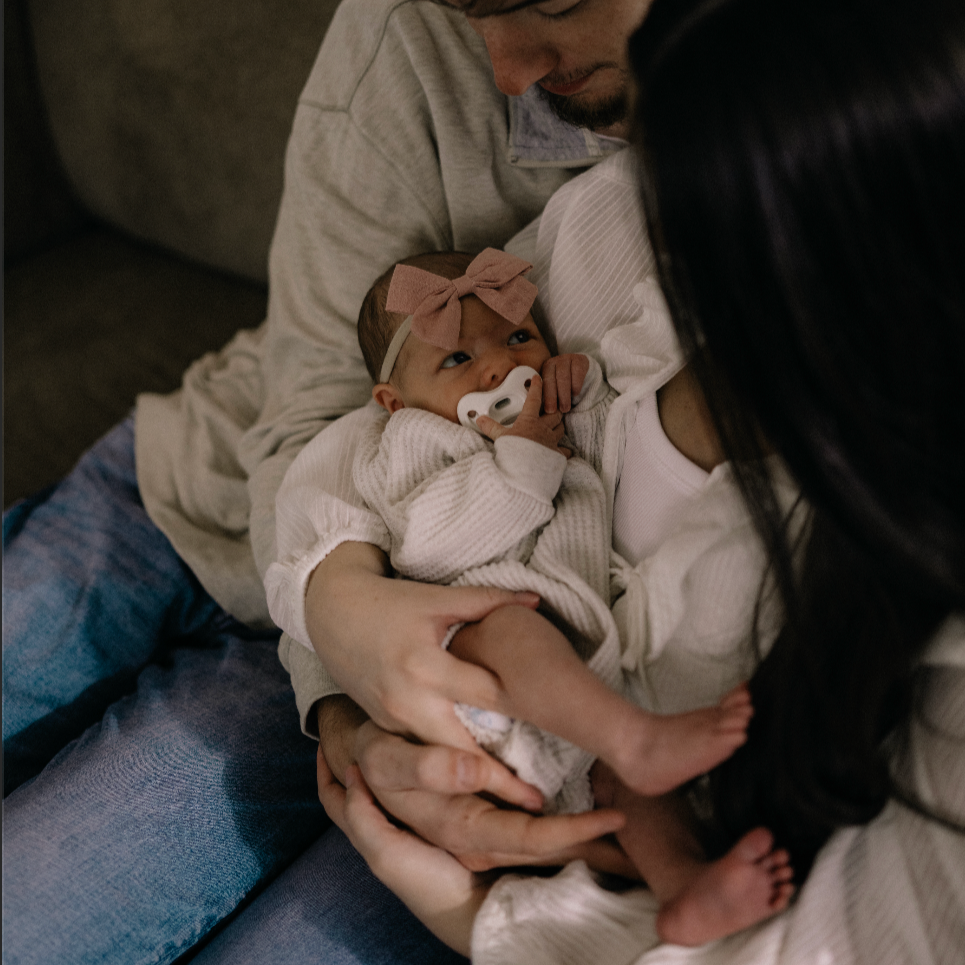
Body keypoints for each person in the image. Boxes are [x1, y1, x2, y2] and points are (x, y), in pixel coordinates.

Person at [2, 0, 667, 962]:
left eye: (550, 3)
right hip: (206, 497)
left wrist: (378, 723)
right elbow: (312, 399)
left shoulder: (861, 144)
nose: (506, 70)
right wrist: (338, 644)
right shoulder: (410, 31)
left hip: (478, 680)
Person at [314, 0, 965, 963]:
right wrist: (338, 620)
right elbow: (348, 437)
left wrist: (461, 906)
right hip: (426, 737)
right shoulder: (616, 226)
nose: (507, 76)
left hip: (558, 865)